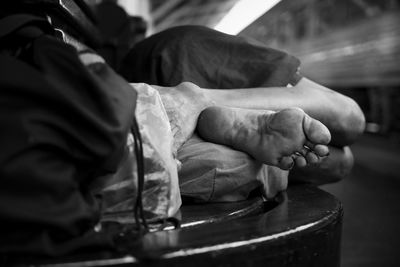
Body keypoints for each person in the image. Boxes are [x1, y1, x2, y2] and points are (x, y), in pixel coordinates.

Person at [119, 25, 365, 201]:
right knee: (338, 162)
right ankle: (222, 122)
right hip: (141, 99)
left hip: (166, 63)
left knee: (348, 119)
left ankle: (196, 100)